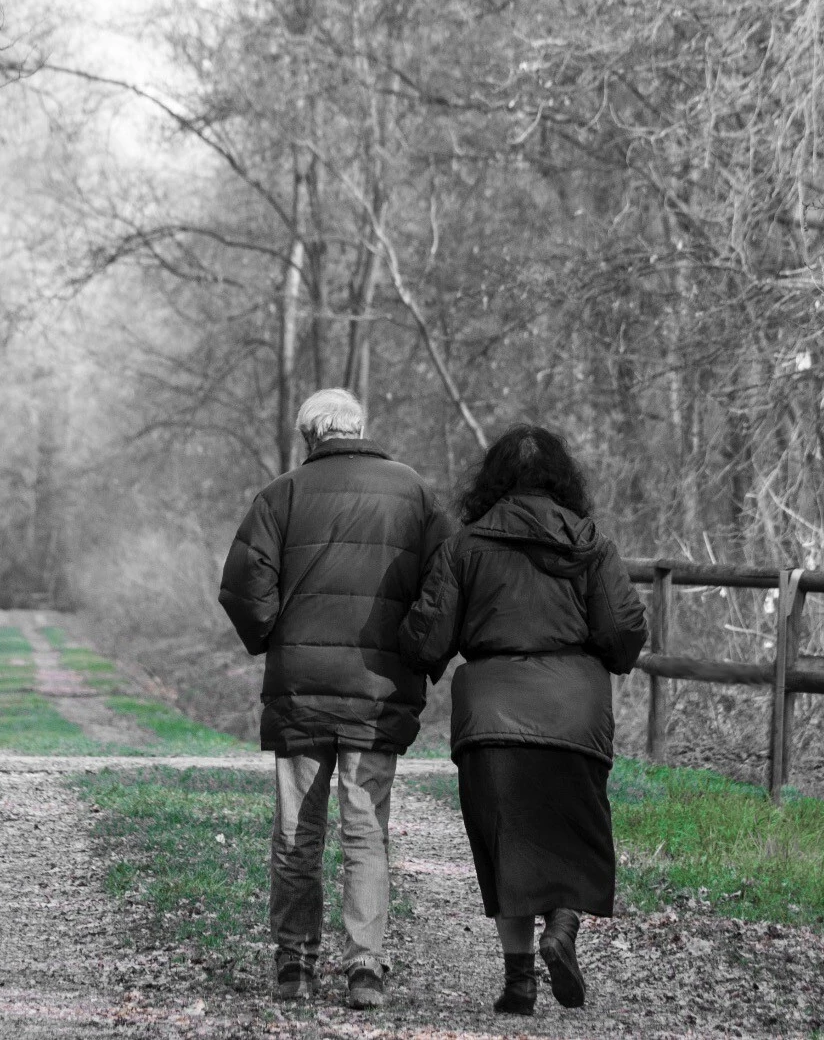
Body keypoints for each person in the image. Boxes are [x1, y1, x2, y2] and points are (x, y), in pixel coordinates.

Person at [397, 424, 646, 1016]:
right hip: (574, 713)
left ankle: (519, 983)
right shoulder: (591, 544)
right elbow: (623, 632)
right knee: (572, 833)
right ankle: (561, 925)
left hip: (492, 715)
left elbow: (427, 638)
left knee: (505, 843)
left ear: (492, 481)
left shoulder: (465, 546)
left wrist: (400, 636)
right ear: (563, 479)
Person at [219, 388, 452, 1009]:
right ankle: (365, 969)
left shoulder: (280, 495)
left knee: (297, 831)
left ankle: (294, 964)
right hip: (379, 694)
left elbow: (243, 587)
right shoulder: (417, 496)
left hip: (300, 690)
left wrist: (274, 635)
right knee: (365, 831)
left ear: (310, 437)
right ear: (359, 429)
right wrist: (418, 649)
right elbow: (448, 583)